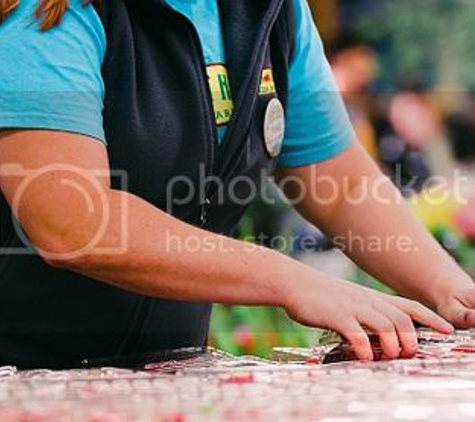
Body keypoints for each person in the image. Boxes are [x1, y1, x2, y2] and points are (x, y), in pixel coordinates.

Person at [0, 0, 473, 370]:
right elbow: (71, 221)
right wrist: (288, 279)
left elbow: (341, 183)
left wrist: (447, 286)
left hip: (156, 378)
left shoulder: (275, 12)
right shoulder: (44, 14)